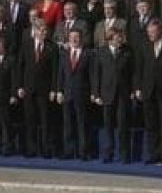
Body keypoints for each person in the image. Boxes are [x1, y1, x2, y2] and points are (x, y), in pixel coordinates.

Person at [133, 20, 162, 165]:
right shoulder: (144, 46)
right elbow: (139, 68)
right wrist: (138, 88)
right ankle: (153, 154)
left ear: (160, 31)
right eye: (149, 32)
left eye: (153, 32)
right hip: (148, 91)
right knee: (151, 125)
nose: (150, 34)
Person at [92, 27, 132, 163]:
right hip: (107, 93)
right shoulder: (101, 52)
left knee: (122, 125)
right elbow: (96, 74)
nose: (120, 39)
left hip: (122, 93)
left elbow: (132, 73)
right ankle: (108, 153)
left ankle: (124, 154)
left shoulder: (127, 51)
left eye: (121, 37)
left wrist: (132, 90)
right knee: (107, 125)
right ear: (110, 38)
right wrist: (96, 93)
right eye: (117, 37)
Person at [18, 23, 58, 158]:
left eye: (45, 30)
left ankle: (46, 149)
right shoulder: (26, 44)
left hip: (44, 90)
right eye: (41, 30)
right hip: (28, 88)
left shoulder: (52, 47)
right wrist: (20, 86)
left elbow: (55, 71)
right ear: (35, 31)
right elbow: (21, 66)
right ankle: (31, 148)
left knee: (45, 120)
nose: (44, 33)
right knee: (30, 120)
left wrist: (53, 89)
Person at [56, 29, 93, 160]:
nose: (74, 39)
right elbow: (60, 74)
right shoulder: (64, 54)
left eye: (76, 37)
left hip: (82, 93)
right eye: (72, 37)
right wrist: (59, 91)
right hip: (67, 93)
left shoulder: (88, 54)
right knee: (67, 124)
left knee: (82, 124)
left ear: (81, 38)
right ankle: (69, 151)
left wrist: (93, 92)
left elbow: (92, 75)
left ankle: (83, 152)